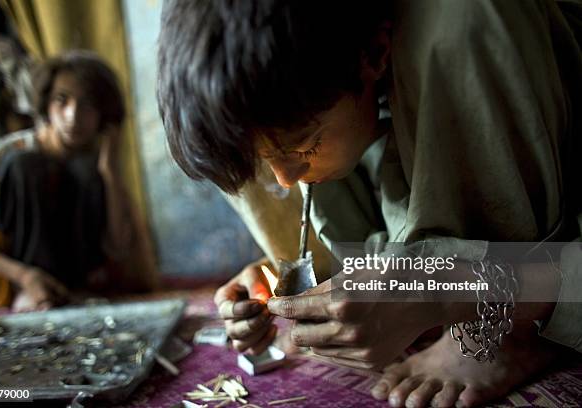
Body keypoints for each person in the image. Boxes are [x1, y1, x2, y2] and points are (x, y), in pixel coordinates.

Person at [157, 1, 582, 407]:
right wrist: (285, 278)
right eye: (266, 165)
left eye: (303, 146)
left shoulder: (456, 34)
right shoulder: (334, 100)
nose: (285, 179)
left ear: (376, 53)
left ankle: (512, 332)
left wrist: (443, 292)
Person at [0, 50, 157, 311]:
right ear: (46, 104)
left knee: (84, 170)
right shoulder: (10, 152)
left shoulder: (93, 163)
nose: (73, 115)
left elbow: (117, 246)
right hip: (20, 278)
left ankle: (70, 290)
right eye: (62, 100)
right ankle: (35, 292)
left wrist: (110, 170)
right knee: (27, 165)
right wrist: (26, 276)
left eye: (88, 104)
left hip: (83, 281)